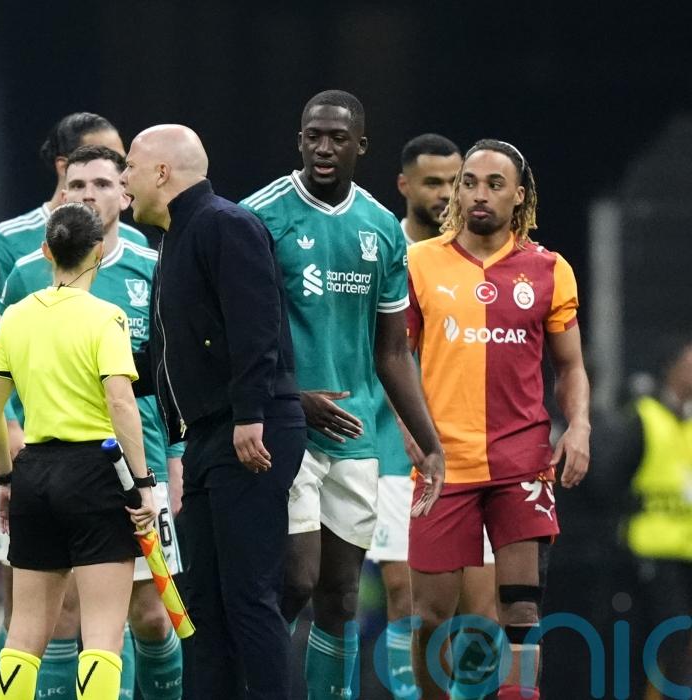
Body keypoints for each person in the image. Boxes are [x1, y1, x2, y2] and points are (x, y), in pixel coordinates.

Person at [241, 91, 445, 699]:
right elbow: (237, 333)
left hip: (355, 437)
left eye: (336, 138)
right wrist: (287, 397)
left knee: (342, 595)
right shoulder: (259, 217)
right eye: (313, 136)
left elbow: (392, 352)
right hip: (285, 430)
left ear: (361, 145)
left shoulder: (381, 229)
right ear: (300, 140)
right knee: (296, 580)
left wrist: (428, 441)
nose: (323, 148)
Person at [0, 111, 152, 696]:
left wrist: (4, 477)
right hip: (98, 473)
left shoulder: (16, 316)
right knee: (104, 634)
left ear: (45, 251)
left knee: (24, 632)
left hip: (34, 473)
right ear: (97, 253)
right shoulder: (107, 317)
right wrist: (142, 484)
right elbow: (123, 404)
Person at [124, 123, 305, 700]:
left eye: (130, 166)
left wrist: (250, 413)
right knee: (202, 601)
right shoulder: (175, 241)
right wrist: (96, 373)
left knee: (249, 596)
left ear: (161, 172)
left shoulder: (224, 224)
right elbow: (165, 355)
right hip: (209, 436)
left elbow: (257, 326)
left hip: (249, 429)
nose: (125, 180)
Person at [405, 140, 590, 699]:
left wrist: (579, 425)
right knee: (431, 616)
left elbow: (570, 366)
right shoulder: (420, 262)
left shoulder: (549, 270)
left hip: (522, 462)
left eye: (494, 184)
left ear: (519, 196)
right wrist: (411, 433)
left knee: (521, 610)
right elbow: (393, 359)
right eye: (469, 182)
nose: (478, 194)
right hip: (444, 464)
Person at [0, 145, 185, 698]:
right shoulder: (33, 282)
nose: (88, 194)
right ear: (61, 196)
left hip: (94, 466)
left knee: (147, 614)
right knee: (88, 625)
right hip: (109, 473)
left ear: (124, 195)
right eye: (77, 185)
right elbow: (117, 400)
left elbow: (171, 378)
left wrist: (173, 460)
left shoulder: (154, 268)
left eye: (101, 183)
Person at [368, 133, 498, 698]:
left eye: (455, 182)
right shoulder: (380, 251)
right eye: (433, 183)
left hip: (473, 452)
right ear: (404, 185)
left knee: (483, 611)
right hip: (394, 454)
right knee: (409, 598)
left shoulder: (478, 257)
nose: (446, 194)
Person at [619, 340, 692, 693]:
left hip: (686, 550)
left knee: (681, 642)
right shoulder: (645, 416)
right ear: (672, 367)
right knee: (663, 637)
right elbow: (613, 476)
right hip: (652, 550)